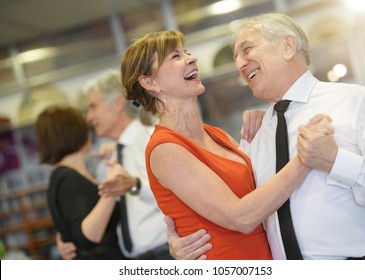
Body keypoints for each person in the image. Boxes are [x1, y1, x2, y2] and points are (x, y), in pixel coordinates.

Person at [166, 13, 365, 260]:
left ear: (287, 46)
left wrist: (336, 160)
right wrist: (183, 244)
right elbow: (245, 212)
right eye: (236, 58)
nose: (240, 65)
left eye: (247, 49)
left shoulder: (356, 101)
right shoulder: (256, 135)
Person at [120, 30, 333, 260]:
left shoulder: (216, 135)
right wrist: (306, 157)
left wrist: (266, 122)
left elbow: (262, 188)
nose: (191, 59)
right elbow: (241, 217)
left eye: (187, 52)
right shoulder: (164, 149)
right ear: (149, 82)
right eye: (175, 56)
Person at [56, 70, 171, 260]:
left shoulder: (153, 140)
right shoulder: (108, 161)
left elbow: (180, 194)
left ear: (118, 104)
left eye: (93, 107)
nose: (89, 118)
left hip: (165, 254)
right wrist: (66, 237)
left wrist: (135, 184)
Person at [35, 105, 124, 260]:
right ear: (76, 132)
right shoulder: (68, 179)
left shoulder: (70, 176)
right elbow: (86, 237)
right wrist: (112, 190)